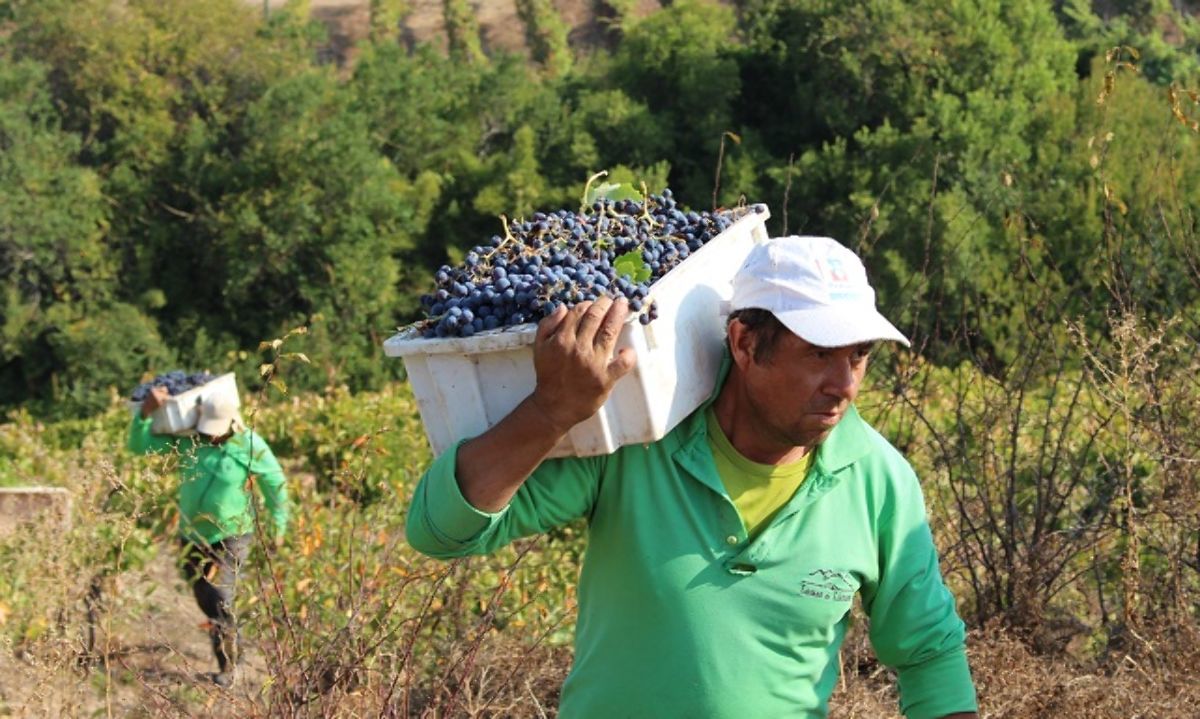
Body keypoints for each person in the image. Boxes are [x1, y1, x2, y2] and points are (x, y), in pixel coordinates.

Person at [405, 235, 978, 718]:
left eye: (858, 356)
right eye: (818, 354)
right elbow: (443, 531)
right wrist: (552, 411)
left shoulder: (877, 481)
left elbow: (928, 652)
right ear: (745, 343)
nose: (845, 385)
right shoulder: (636, 442)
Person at [129, 386, 289, 689]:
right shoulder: (189, 440)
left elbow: (275, 482)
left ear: (232, 424)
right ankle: (231, 641)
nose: (212, 436)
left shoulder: (249, 445)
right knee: (204, 596)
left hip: (232, 534)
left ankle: (229, 665)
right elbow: (141, 447)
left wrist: (278, 526)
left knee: (220, 596)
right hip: (191, 535)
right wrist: (144, 415)